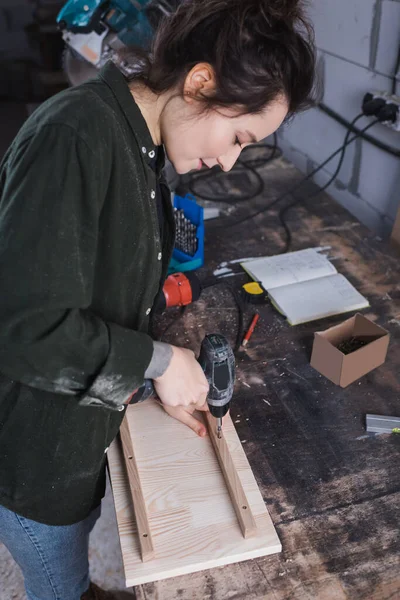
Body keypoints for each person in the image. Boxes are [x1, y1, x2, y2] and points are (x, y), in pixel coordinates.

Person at [0, 0, 315, 598]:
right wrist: (161, 361)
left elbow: (100, 292)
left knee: (87, 544)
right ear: (200, 82)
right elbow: (24, 327)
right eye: (238, 137)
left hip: (83, 426)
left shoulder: (140, 146)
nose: (228, 160)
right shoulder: (76, 135)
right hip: (31, 457)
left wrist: (146, 381)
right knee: (58, 583)